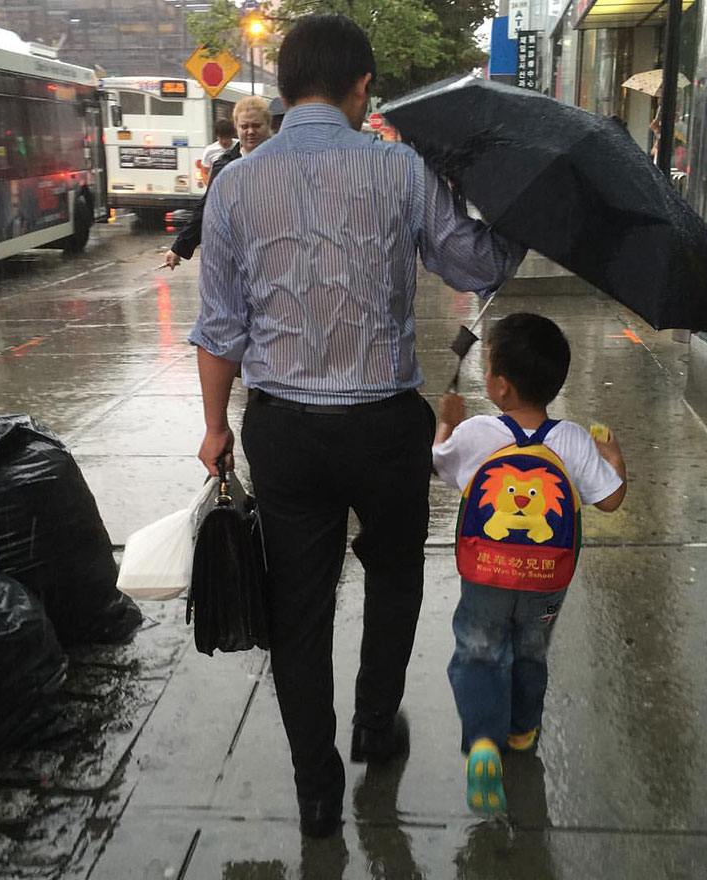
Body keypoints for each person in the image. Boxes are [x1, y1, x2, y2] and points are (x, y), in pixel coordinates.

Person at [189, 14, 525, 839]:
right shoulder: (403, 170)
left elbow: (219, 329)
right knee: (394, 574)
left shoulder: (232, 184)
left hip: (285, 433)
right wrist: (500, 205)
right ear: (361, 87)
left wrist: (212, 429)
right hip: (384, 430)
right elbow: (478, 265)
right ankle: (376, 722)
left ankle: (315, 788)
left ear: (282, 86)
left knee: (296, 604)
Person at [432, 313, 627, 816]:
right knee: (531, 651)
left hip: (486, 575)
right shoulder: (575, 441)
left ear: (499, 386)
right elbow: (610, 500)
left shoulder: (477, 433)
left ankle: (481, 742)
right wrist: (614, 456)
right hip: (545, 583)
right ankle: (521, 734)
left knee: (479, 650)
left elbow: (437, 463)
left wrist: (446, 422)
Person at [164, 96, 271, 270]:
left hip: (274, 254)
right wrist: (179, 248)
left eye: (256, 125)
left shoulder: (283, 161)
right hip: (235, 255)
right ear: (237, 127)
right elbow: (207, 208)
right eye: (245, 126)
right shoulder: (224, 165)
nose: (250, 131)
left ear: (268, 125)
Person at [199, 117, 238, 186]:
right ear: (217, 136)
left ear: (232, 135)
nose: (224, 141)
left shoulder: (240, 146)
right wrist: (210, 188)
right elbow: (204, 172)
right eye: (221, 137)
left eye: (227, 137)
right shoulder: (210, 151)